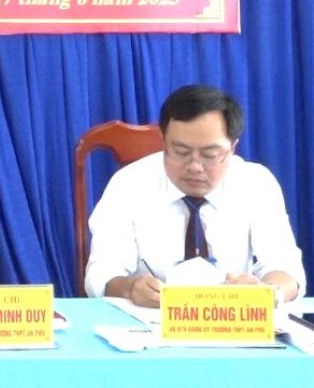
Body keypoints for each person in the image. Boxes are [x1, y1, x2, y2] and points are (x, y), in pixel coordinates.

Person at [85, 84, 305, 307]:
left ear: (232, 147)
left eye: (210, 155)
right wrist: (130, 288)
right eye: (181, 152)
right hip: (149, 319)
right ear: (164, 142)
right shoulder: (129, 184)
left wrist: (269, 292)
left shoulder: (256, 183)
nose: (195, 167)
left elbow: (287, 270)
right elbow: (101, 274)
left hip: (233, 318)